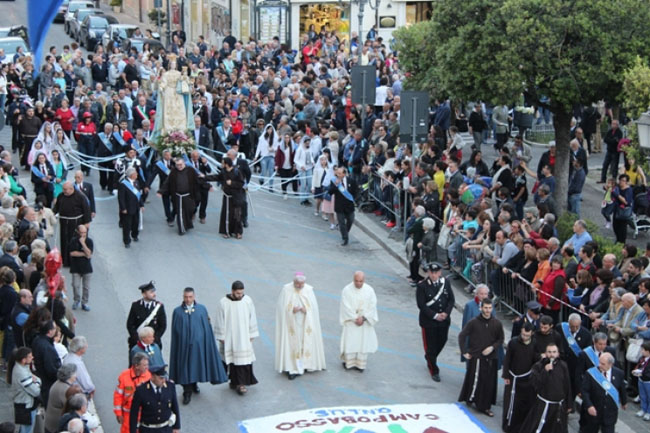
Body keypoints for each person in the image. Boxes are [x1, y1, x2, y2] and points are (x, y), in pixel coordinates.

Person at [169, 287, 227, 405]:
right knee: (185, 367)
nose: (188, 299)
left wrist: (205, 342)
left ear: (194, 297)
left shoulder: (201, 309)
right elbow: (175, 331)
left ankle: (194, 383)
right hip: (183, 346)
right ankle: (187, 391)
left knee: (195, 366)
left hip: (198, 346)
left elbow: (206, 328)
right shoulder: (177, 312)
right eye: (185, 297)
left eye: (190, 297)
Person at [458, 298, 505, 417]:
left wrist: (492, 347)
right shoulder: (473, 322)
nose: (488, 310)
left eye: (490, 308)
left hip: (491, 358)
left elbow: (501, 339)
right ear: (481, 308)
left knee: (488, 383)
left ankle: (484, 405)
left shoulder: (497, 323)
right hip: (477, 357)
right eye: (485, 308)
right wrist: (464, 352)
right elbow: (462, 335)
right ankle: (474, 400)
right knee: (476, 380)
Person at [275, 272, 326, 380]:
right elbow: (280, 307)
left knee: (305, 343)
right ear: (294, 282)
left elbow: (314, 308)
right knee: (293, 344)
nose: (299, 286)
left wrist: (306, 309)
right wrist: (290, 310)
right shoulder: (286, 289)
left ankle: (306, 365)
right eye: (297, 284)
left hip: (305, 323)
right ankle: (293, 368)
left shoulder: (308, 290)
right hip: (291, 324)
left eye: (301, 284)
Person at [214, 280, 259, 395]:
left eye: (241, 293)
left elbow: (252, 316)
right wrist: (221, 336)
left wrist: (252, 333)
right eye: (238, 293)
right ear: (232, 291)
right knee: (232, 361)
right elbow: (219, 319)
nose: (240, 295)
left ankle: (241, 384)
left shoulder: (247, 301)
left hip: (244, 337)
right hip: (230, 337)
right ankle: (234, 381)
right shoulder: (223, 303)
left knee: (243, 361)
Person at [520, 343, 571, 433]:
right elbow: (535, 384)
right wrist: (545, 371)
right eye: (549, 352)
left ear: (558, 353)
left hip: (558, 406)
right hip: (543, 405)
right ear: (545, 353)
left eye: (554, 352)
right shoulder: (538, 366)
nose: (552, 354)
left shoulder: (563, 366)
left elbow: (567, 385)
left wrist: (569, 404)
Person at [416, 263, 455, 382]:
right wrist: (435, 315)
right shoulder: (422, 286)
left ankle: (429, 357)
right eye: (431, 272)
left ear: (440, 273)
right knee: (431, 346)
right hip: (429, 322)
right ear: (428, 273)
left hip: (444, 320)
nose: (433, 275)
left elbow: (451, 300)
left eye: (436, 272)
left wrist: (446, 313)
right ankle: (434, 370)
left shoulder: (445, 283)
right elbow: (421, 305)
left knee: (442, 341)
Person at [339, 271, 378, 371]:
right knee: (351, 342)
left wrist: (364, 318)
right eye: (356, 281)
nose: (358, 283)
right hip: (352, 322)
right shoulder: (347, 290)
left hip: (364, 322)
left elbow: (372, 306)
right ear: (353, 280)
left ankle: (361, 365)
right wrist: (355, 318)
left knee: (362, 343)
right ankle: (349, 363)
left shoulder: (369, 290)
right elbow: (345, 306)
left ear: (364, 280)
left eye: (361, 281)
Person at [502, 323, 537, 432]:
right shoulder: (513, 342)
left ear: (532, 334)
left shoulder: (534, 343)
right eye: (523, 334)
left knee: (522, 403)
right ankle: (507, 424)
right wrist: (506, 375)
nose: (524, 337)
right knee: (510, 402)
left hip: (526, 378)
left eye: (527, 335)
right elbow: (507, 359)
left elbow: (534, 360)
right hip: (513, 377)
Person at [580, 352, 627, 433]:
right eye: (599, 362)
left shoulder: (619, 373)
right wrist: (589, 405)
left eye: (603, 364)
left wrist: (624, 402)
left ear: (610, 364)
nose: (599, 365)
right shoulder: (591, 373)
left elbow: (622, 389)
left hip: (610, 413)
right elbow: (584, 391)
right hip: (594, 411)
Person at [129, 364, 181, 433]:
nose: (163, 381)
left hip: (166, 429)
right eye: (161, 378)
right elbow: (134, 413)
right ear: (152, 377)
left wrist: (176, 427)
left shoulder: (170, 387)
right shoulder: (141, 390)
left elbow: (175, 407)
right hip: (148, 429)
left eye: (164, 378)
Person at [52, 182, 91, 267]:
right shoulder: (61, 196)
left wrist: (87, 222)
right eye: (63, 189)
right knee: (64, 241)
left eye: (66, 189)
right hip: (64, 223)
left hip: (76, 223)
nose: (64, 191)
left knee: (74, 242)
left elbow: (86, 209)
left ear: (71, 189)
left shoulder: (80, 197)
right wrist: (52, 213)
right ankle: (65, 261)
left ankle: (74, 260)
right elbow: (57, 207)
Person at [205, 157, 245, 239]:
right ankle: (227, 231)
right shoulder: (223, 172)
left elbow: (241, 183)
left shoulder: (237, 171)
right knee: (226, 214)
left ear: (227, 164)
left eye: (223, 163)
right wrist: (204, 177)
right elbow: (216, 177)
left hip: (236, 197)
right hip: (226, 196)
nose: (222, 164)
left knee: (237, 214)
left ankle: (238, 232)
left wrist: (232, 183)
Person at [158, 158, 200, 236]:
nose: (179, 166)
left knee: (190, 210)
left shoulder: (191, 170)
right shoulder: (173, 172)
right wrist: (161, 191)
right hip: (178, 196)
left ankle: (188, 224)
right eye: (177, 165)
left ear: (184, 163)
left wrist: (207, 186)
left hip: (189, 195)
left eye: (181, 164)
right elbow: (167, 182)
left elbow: (198, 180)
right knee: (180, 213)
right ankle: (182, 229)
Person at [113, 352, 151, 433]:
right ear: (136, 366)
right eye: (144, 365)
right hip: (128, 415)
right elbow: (118, 396)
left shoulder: (149, 376)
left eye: (147, 365)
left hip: (144, 415)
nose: (147, 367)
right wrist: (118, 414)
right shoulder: (124, 376)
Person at [126, 281, 167, 354]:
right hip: (138, 344)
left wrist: (154, 339)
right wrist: (137, 339)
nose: (154, 294)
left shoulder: (159, 307)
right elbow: (130, 324)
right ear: (144, 294)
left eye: (154, 291)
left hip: (153, 343)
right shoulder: (136, 306)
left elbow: (162, 326)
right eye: (151, 292)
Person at [7, 347, 41, 433]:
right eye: (30, 356)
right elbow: (36, 391)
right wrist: (37, 383)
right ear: (23, 360)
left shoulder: (22, 367)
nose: (32, 357)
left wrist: (36, 381)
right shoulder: (22, 372)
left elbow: (37, 379)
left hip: (25, 404)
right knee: (27, 430)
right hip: (26, 406)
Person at [31, 320, 61, 407]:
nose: (56, 330)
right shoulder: (47, 348)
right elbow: (51, 369)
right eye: (54, 328)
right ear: (49, 331)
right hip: (47, 382)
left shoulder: (37, 339)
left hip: (41, 376)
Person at [328, 166, 357, 246]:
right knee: (341, 223)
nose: (338, 175)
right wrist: (336, 185)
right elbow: (330, 192)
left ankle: (345, 232)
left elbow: (355, 191)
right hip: (339, 205)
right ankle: (345, 238)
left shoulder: (351, 180)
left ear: (344, 174)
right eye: (337, 173)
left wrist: (355, 199)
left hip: (349, 205)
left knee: (351, 219)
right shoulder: (334, 181)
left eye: (340, 174)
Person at [44, 364, 77, 433]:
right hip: (55, 426)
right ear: (69, 376)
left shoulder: (58, 383)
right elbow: (71, 406)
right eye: (75, 374)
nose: (76, 376)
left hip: (50, 423)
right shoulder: (65, 389)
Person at [118, 167, 145, 248]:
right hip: (128, 208)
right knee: (127, 225)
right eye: (135, 173)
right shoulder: (123, 184)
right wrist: (123, 208)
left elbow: (139, 195)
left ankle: (135, 235)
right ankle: (126, 241)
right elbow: (121, 198)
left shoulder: (136, 182)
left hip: (136, 207)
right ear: (131, 175)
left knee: (136, 223)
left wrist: (141, 205)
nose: (137, 175)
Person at [68, 225, 93, 311]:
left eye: (85, 233)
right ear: (78, 232)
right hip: (76, 267)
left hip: (87, 268)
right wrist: (83, 254)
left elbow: (89, 254)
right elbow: (72, 253)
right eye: (81, 233)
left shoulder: (89, 241)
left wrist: (83, 243)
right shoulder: (73, 241)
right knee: (75, 285)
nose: (83, 235)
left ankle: (84, 302)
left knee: (86, 287)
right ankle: (76, 300)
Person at [148, 150, 174, 226]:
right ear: (163, 156)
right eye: (167, 155)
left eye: (170, 155)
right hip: (164, 187)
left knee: (175, 203)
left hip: (174, 186)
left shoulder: (174, 162)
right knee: (166, 204)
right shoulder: (159, 164)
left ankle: (172, 215)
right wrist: (147, 185)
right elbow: (153, 175)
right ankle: (169, 218)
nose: (169, 157)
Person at [611, 173, 634, 244]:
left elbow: (626, 202)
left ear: (626, 182)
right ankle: (618, 240)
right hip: (616, 210)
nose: (621, 182)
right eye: (620, 180)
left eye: (623, 180)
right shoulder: (617, 188)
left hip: (623, 212)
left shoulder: (628, 190)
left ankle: (621, 242)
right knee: (615, 226)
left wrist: (618, 195)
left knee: (622, 228)